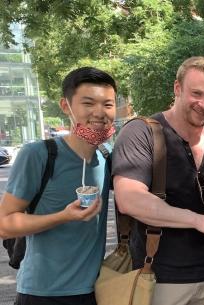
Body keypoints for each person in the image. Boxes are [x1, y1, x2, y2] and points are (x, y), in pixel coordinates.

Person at [112, 56, 204, 305]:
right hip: (160, 278)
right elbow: (129, 199)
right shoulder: (142, 133)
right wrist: (197, 220)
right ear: (177, 89)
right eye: (196, 93)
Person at [0, 67, 117, 305]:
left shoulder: (107, 157)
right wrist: (63, 216)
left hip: (94, 289)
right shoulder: (39, 155)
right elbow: (4, 224)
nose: (99, 113)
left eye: (107, 104)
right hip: (42, 293)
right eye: (88, 103)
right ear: (66, 106)